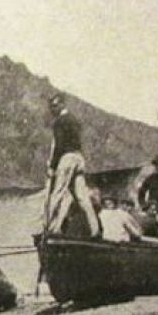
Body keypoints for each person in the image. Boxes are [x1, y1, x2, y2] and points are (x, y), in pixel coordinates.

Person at [43, 93, 100, 238]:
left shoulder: (59, 122)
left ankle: (51, 229)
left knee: (58, 192)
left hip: (67, 158)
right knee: (82, 197)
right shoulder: (74, 120)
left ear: (62, 104)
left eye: (55, 106)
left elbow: (59, 145)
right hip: (78, 158)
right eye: (51, 107)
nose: (52, 109)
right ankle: (95, 229)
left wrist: (52, 167)